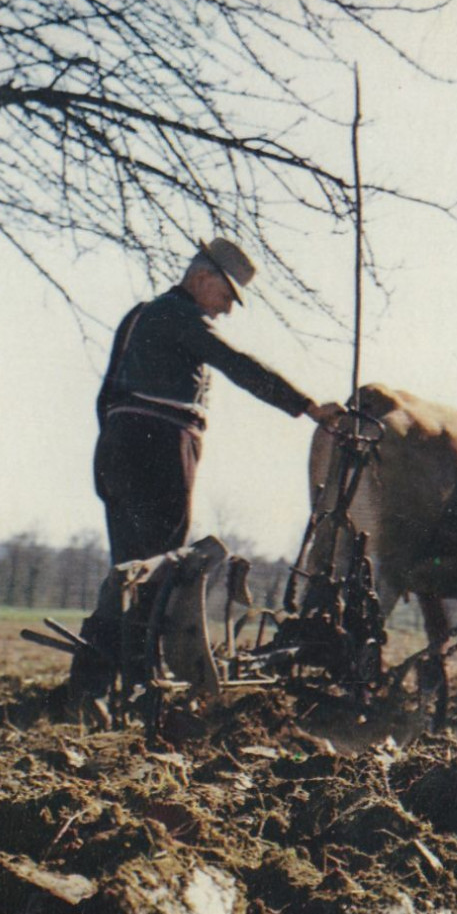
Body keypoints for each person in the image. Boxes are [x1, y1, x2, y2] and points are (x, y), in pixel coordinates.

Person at [72, 238, 340, 700]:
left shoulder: (138, 316)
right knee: (161, 568)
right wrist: (307, 406)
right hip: (162, 448)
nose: (228, 311)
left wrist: (114, 447)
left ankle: (91, 686)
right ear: (201, 279)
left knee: (131, 568)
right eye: (227, 297)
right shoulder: (183, 318)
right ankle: (137, 684)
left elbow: (105, 395)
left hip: (117, 445)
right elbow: (238, 365)